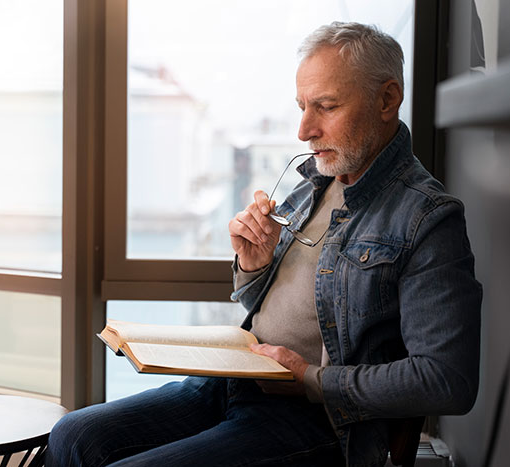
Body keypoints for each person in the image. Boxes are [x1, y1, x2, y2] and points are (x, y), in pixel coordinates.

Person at [46, 22, 482, 467]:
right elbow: (280, 304)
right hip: (234, 380)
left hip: (315, 418)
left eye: (326, 107)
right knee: (72, 435)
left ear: (388, 100)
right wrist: (253, 265)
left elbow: (448, 379)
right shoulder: (313, 185)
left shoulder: (428, 218)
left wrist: (311, 379)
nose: (304, 130)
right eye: (302, 107)